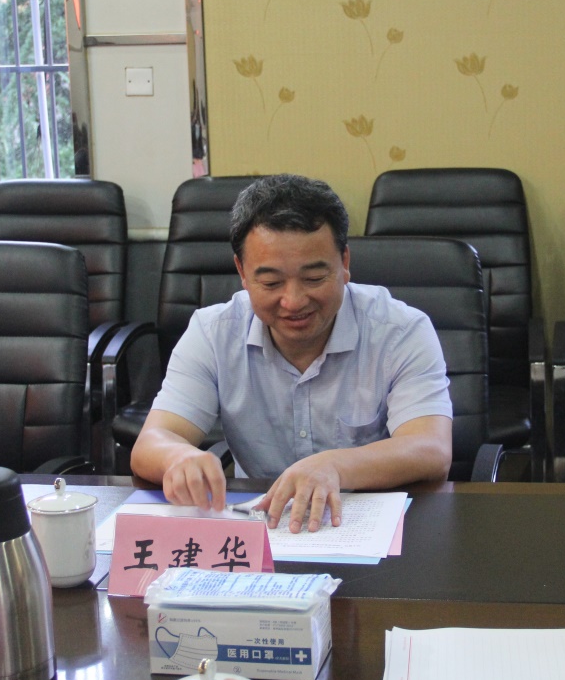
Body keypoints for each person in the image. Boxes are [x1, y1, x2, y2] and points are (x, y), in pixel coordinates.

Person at [131, 174, 453, 532]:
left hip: (367, 527)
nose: (294, 301)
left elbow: (431, 448)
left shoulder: (400, 330)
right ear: (242, 272)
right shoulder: (213, 332)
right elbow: (151, 443)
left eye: (313, 278)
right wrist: (180, 457)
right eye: (271, 283)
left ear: (344, 262)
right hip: (261, 529)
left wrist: (334, 466)